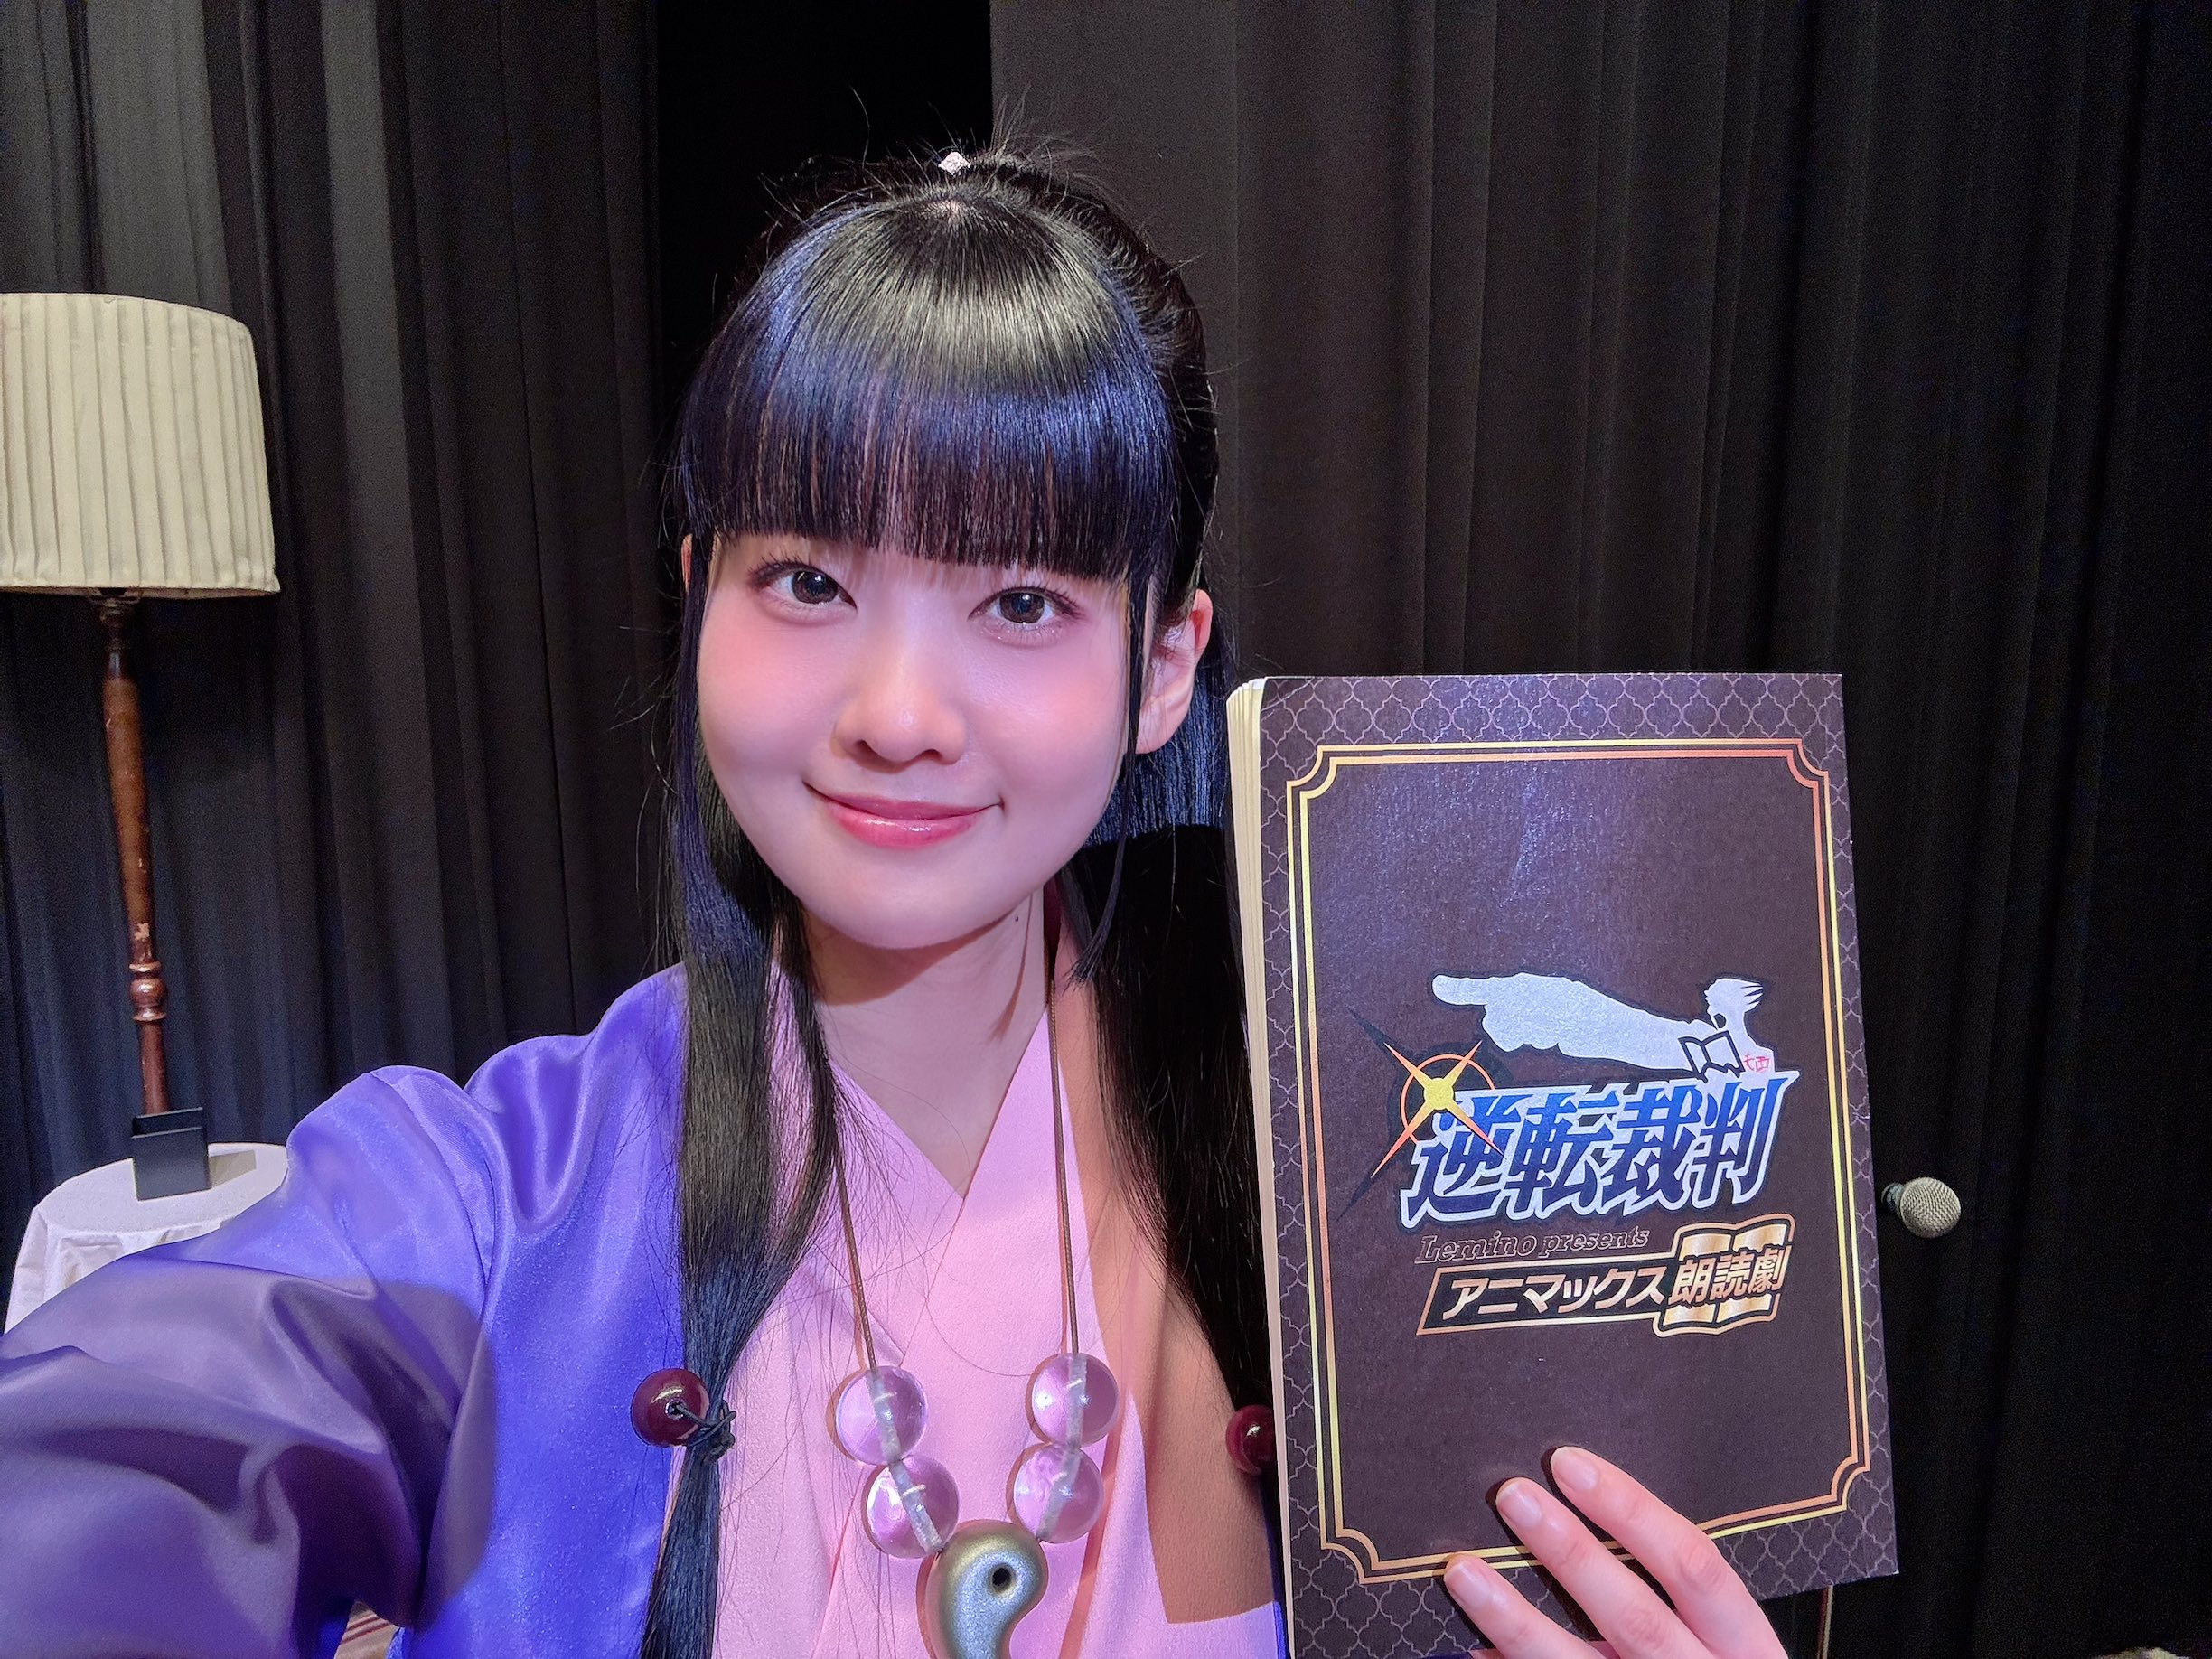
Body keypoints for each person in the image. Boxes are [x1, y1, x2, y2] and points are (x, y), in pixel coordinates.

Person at [0, 149, 1786, 1659]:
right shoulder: (490, 1199)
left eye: (1020, 603)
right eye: (805, 579)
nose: (899, 712)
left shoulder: (1365, 1166)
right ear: (698, 598)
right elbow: (118, 1467)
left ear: (1166, 666)